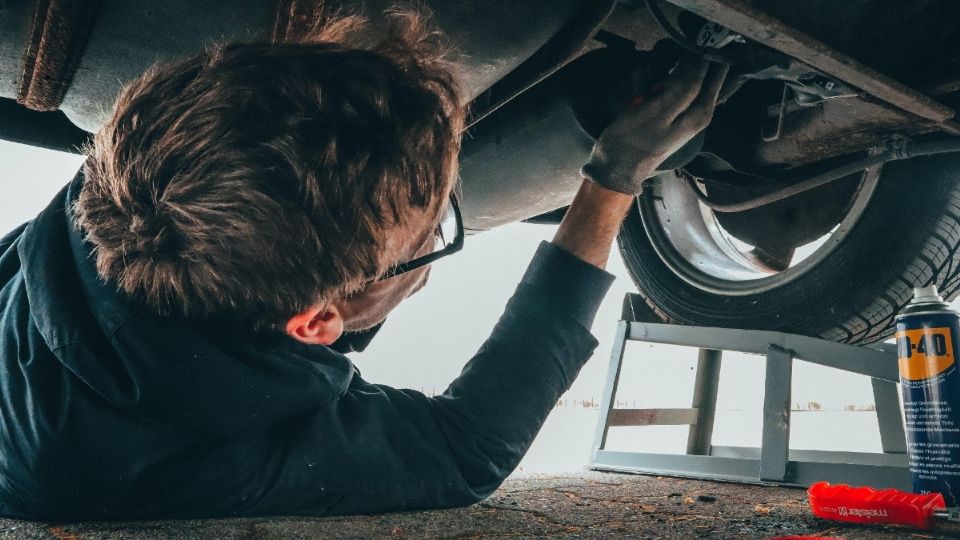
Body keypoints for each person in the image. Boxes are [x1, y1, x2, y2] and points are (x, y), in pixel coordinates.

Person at [0, 11, 727, 520]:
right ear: (315, 322)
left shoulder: (140, 178)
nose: (437, 230)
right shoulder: (163, 459)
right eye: (431, 233)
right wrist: (611, 181)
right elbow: (468, 449)